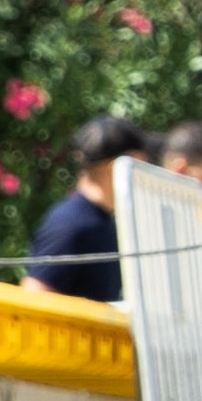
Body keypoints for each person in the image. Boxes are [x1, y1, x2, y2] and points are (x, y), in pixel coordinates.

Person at [23, 114, 147, 299]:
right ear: (115, 169)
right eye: (140, 166)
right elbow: (33, 295)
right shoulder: (71, 224)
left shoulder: (102, 220)